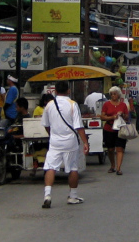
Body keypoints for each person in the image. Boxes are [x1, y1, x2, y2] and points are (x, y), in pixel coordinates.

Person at [40, 80, 89, 208]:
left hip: (55, 141)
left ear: (55, 91)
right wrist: (85, 142)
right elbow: (79, 126)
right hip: (70, 141)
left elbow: (46, 125)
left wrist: (53, 135)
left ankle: (47, 195)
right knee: (72, 167)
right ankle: (73, 196)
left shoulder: (49, 105)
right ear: (68, 91)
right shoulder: (73, 105)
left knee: (51, 166)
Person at [100, 86, 131, 175]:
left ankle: (118, 168)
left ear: (118, 95)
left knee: (120, 148)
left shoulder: (123, 105)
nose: (113, 96)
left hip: (120, 130)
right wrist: (112, 117)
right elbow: (102, 117)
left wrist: (122, 115)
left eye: (115, 94)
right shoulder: (106, 104)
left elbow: (127, 117)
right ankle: (112, 165)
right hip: (109, 129)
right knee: (110, 149)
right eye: (112, 94)